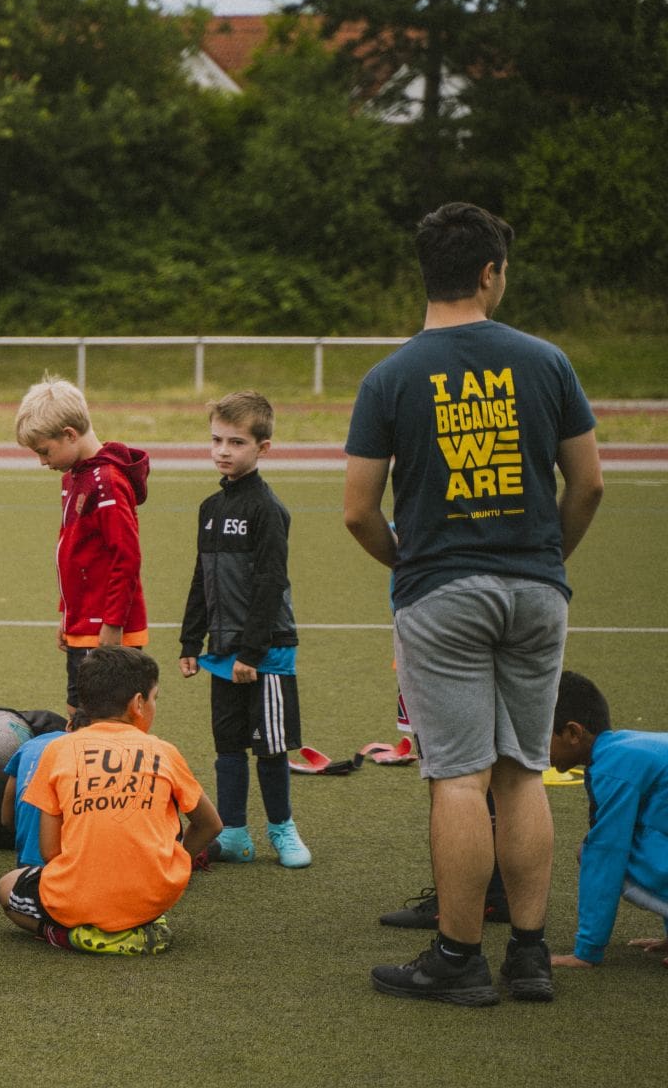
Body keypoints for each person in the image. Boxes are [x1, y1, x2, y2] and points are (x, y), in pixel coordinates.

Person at [346, 201, 604, 1006]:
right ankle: (529, 955)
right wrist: (545, 561)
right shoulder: (547, 361)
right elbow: (589, 483)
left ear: (426, 274)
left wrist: (410, 564)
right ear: (490, 273)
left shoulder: (389, 377)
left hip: (442, 592)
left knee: (459, 778)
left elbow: (358, 510)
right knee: (522, 773)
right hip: (536, 589)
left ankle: (459, 956)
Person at [0, 646, 221, 955]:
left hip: (76, 898)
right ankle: (137, 925)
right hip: (154, 895)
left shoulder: (57, 750)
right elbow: (210, 824)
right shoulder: (164, 751)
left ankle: (65, 935)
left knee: (6, 886)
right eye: (154, 698)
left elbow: (49, 851)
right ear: (138, 703)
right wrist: (175, 864)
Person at [177, 390, 312, 869]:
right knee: (228, 744)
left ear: (263, 447)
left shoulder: (267, 509)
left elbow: (271, 583)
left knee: (270, 748)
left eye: (236, 442)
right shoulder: (210, 508)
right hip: (221, 651)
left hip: (264, 653)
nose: (223, 451)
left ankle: (282, 829)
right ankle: (234, 833)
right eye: (217, 440)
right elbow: (202, 577)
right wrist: (191, 640)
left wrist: (251, 654)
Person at [13, 375, 151, 712]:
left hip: (105, 629)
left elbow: (126, 557)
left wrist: (113, 624)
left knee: (105, 719)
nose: (42, 461)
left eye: (44, 451)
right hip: (82, 624)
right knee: (77, 712)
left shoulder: (107, 481)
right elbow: (73, 554)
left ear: (70, 434)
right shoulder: (74, 477)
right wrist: (66, 613)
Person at [546, 671, 668, 970]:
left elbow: (606, 854)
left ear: (573, 733)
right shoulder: (624, 748)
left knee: (594, 852)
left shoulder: (613, 767)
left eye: (540, 736)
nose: (535, 748)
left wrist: (586, 951)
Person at [0, 723, 69, 867]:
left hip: (27, 866)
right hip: (65, 868)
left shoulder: (29, 745)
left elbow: (6, 819)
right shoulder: (88, 752)